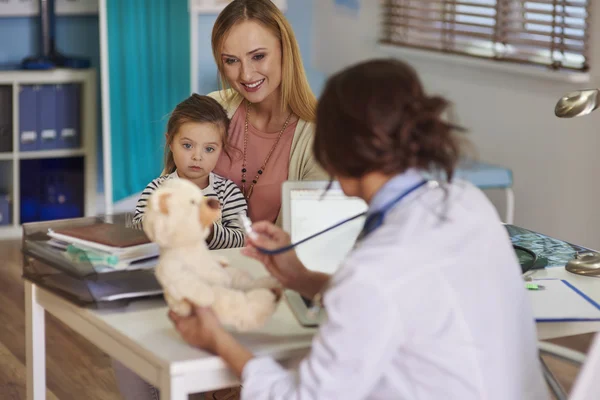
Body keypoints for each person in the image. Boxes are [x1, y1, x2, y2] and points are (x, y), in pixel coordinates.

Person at [168, 59, 549, 399]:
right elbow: (403, 300)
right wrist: (305, 279)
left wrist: (219, 341)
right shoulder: (467, 202)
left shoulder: (371, 271)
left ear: (333, 151)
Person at [207, 0, 326, 225]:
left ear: (285, 49)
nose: (246, 75)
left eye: (258, 56)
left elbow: (314, 238)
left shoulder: (321, 134)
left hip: (270, 261)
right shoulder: (212, 109)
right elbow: (169, 196)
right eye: (231, 61)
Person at [133, 94, 247, 250]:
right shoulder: (158, 188)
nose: (197, 157)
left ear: (221, 150)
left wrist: (207, 229)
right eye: (187, 145)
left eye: (209, 149)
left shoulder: (227, 192)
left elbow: (241, 239)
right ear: (170, 143)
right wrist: (161, 218)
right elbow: (136, 230)